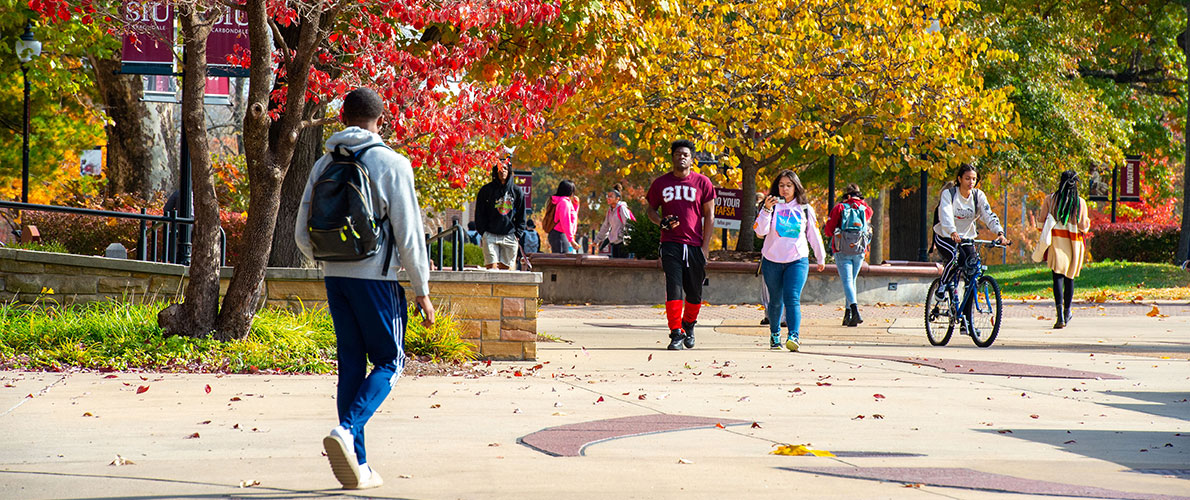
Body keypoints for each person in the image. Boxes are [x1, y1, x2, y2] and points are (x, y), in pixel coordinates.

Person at [294, 88, 435, 490]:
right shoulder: (391, 164)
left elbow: (302, 232)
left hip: (335, 278)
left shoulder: (323, 164)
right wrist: (421, 290)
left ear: (342, 118)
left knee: (351, 366)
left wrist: (330, 259)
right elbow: (409, 235)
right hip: (377, 280)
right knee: (392, 362)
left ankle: (359, 466)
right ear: (381, 120)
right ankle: (348, 429)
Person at [646, 139, 716, 350]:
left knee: (694, 293)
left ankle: (689, 324)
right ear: (673, 157)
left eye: (685, 154)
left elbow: (710, 215)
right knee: (673, 287)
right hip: (671, 244)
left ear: (692, 159)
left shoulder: (703, 182)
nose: (682, 157)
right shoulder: (661, 183)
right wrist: (661, 222)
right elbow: (650, 210)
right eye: (678, 154)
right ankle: (676, 332)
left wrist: (705, 247)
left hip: (694, 245)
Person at [754, 170, 826, 351]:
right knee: (776, 300)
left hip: (797, 260)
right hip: (772, 260)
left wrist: (820, 257)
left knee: (792, 298)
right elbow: (759, 232)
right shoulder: (770, 206)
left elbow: (814, 234)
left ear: (796, 187)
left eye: (789, 185)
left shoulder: (804, 209)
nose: (784, 189)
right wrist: (766, 210)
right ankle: (775, 335)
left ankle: (794, 336)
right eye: (781, 185)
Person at [932, 164, 1010, 303]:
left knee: (973, 270)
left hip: (967, 237)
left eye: (974, 179)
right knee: (955, 257)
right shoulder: (949, 194)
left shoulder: (978, 195)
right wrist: (952, 231)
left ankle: (966, 323)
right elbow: (945, 214)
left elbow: (988, 214)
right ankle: (942, 285)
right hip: (945, 236)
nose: (971, 182)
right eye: (967, 178)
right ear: (960, 179)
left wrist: (999, 232)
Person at [1034, 170, 1090, 329]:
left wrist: (1043, 229)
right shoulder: (1080, 203)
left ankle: (1059, 316)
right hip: (1074, 244)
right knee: (1069, 278)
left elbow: (1040, 222)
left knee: (1057, 276)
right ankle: (1067, 312)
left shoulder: (1050, 199)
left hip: (1056, 242)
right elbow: (1083, 227)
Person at [823, 183, 873, 327]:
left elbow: (828, 231)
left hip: (842, 249)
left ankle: (855, 312)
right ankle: (848, 315)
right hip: (859, 250)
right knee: (851, 281)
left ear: (848, 195)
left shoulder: (839, 208)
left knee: (847, 282)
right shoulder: (866, 209)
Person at [474, 162, 526, 269]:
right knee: (492, 270)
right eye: (500, 169)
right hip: (490, 235)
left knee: (507, 272)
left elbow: (521, 214)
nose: (503, 171)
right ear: (495, 172)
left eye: (505, 169)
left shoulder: (517, 191)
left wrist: (517, 234)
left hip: (510, 235)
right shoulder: (486, 190)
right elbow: (479, 213)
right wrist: (483, 232)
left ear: (509, 171)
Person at [595, 183, 635, 258]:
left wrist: (628, 240)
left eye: (611, 196)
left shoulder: (622, 209)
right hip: (615, 243)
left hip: (623, 243)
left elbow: (629, 224)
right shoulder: (610, 211)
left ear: (617, 199)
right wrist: (597, 240)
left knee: (624, 266)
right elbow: (605, 226)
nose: (608, 198)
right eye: (608, 196)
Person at [545, 180, 580, 253]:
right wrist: (571, 240)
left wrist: (576, 206)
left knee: (561, 259)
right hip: (560, 235)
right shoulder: (564, 203)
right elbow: (566, 222)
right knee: (562, 261)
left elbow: (572, 218)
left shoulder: (562, 201)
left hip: (559, 234)